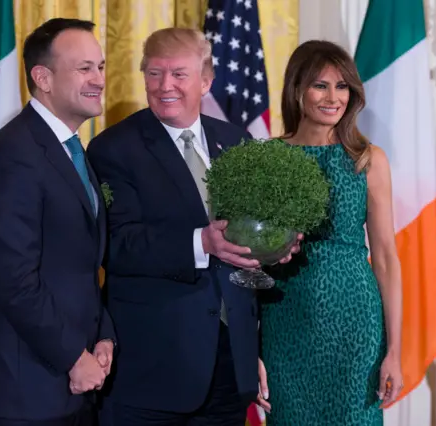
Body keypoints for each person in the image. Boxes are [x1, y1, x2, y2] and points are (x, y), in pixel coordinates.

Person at [87, 28, 299, 425]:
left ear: (206, 81)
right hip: (153, 371)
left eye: (179, 74)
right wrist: (202, 241)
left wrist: (276, 248)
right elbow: (116, 244)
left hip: (229, 365)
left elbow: (248, 240)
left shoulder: (235, 143)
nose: (165, 86)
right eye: (154, 73)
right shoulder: (114, 148)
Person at [0, 18, 116, 426]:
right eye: (84, 68)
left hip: (73, 387)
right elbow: (14, 280)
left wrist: (104, 335)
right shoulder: (13, 155)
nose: (99, 79)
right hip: (26, 393)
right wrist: (73, 356)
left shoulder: (72, 150)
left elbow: (81, 267)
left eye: (100, 67)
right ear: (42, 78)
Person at [259, 40, 404, 426]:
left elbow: (387, 257)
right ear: (297, 89)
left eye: (342, 87)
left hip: (356, 324)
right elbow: (248, 258)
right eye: (320, 85)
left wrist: (395, 351)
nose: (333, 97)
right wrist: (249, 347)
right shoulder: (269, 158)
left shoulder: (367, 159)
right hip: (286, 321)